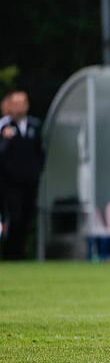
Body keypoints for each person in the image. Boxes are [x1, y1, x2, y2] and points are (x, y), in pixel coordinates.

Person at [0, 91, 45, 260]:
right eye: (16, 103)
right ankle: (9, 253)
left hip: (30, 181)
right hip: (9, 183)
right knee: (14, 217)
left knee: (26, 218)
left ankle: (20, 253)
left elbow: (40, 153)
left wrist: (36, 172)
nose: (20, 106)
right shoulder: (4, 126)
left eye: (23, 102)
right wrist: (6, 140)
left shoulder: (34, 125)